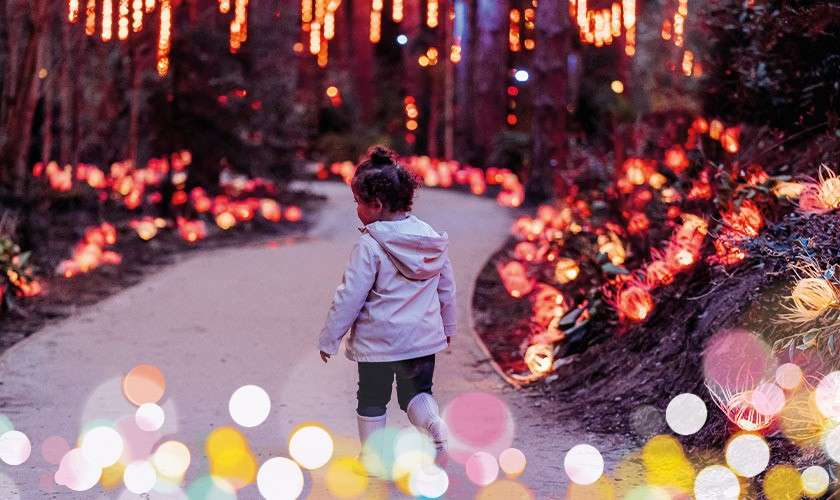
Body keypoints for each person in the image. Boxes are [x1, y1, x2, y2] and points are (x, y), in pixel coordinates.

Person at [318, 145, 455, 472]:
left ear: (376, 205)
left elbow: (350, 295)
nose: (356, 209)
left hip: (379, 342)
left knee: (372, 397)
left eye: (357, 203)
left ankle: (373, 456)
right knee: (416, 394)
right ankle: (434, 423)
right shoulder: (430, 238)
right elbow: (447, 287)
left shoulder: (371, 245)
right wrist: (448, 327)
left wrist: (330, 337)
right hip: (421, 340)